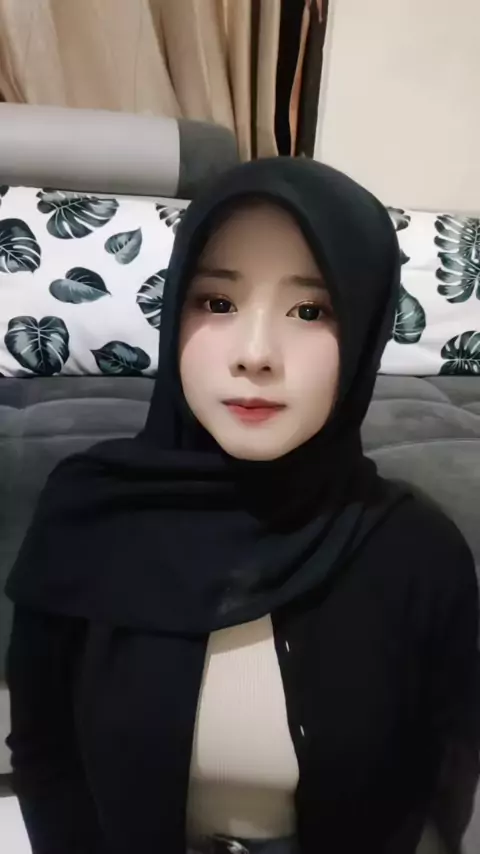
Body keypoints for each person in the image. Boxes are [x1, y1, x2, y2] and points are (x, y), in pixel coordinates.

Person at [4, 157, 480, 854]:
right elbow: (45, 754)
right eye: (217, 303)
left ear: (366, 331)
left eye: (311, 311)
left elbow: (444, 784)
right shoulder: (88, 514)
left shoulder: (416, 552)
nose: (255, 354)